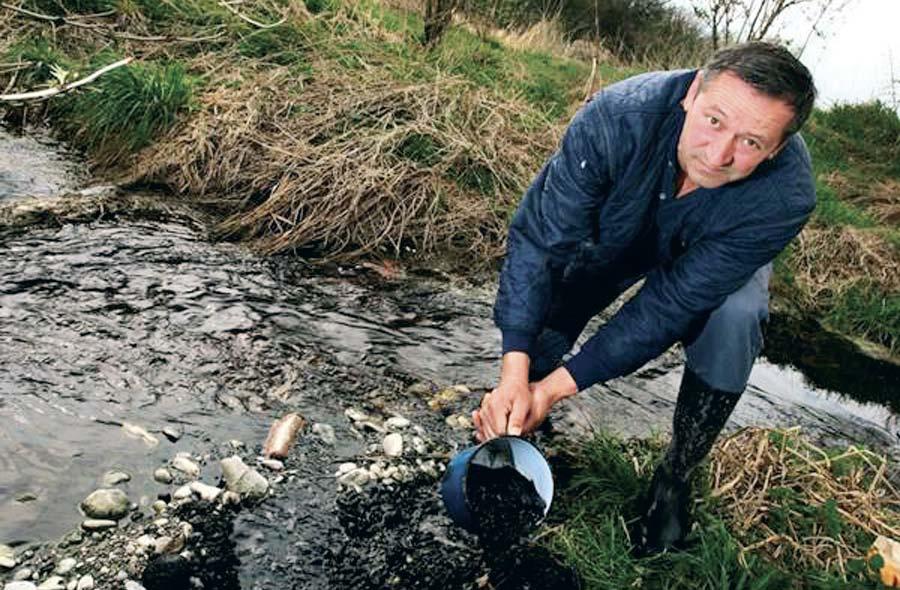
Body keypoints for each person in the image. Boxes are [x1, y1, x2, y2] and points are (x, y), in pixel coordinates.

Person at [472, 41, 817, 554]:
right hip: (614, 228)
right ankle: (516, 427)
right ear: (692, 93)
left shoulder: (785, 197)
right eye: (714, 121)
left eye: (750, 142)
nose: (718, 155)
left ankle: (676, 475)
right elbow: (541, 243)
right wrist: (516, 375)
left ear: (776, 149)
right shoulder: (618, 116)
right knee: (544, 315)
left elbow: (669, 303)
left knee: (736, 315)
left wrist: (559, 389)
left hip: (708, 251)